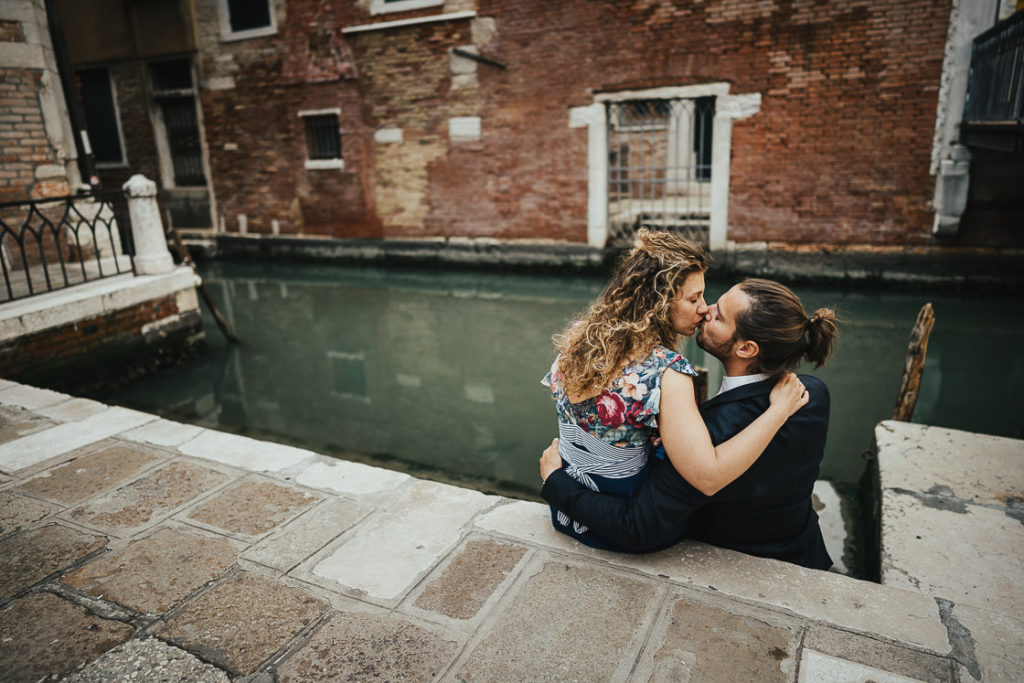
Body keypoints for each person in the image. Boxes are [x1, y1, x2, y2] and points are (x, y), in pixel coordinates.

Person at [540, 278, 839, 569]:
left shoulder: (709, 436)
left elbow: (635, 526)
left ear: (746, 349)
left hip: (739, 569)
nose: (706, 310)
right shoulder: (811, 393)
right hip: (804, 552)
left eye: (719, 316)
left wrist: (556, 481)